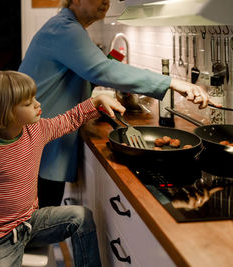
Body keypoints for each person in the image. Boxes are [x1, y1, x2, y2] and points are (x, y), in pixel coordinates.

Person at [18, 0, 211, 208]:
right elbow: (102, 70)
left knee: (39, 219)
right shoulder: (65, 28)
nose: (106, 1)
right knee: (33, 223)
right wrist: (172, 82)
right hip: (35, 141)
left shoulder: (65, 26)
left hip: (37, 139)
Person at [0, 70, 125, 267]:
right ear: (6, 113)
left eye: (34, 98)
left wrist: (96, 102)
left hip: (31, 223)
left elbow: (69, 120)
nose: (38, 104)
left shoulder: (36, 130)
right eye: (28, 103)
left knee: (81, 217)